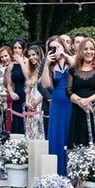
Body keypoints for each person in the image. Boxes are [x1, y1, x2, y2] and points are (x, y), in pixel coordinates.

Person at [65, 36, 95, 150]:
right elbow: (68, 91)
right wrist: (81, 103)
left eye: (91, 49)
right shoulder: (73, 70)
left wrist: (87, 101)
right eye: (85, 49)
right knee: (77, 144)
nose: (89, 52)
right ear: (80, 51)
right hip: (77, 112)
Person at [40, 36, 74, 174]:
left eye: (57, 46)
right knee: (57, 135)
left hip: (71, 101)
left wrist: (64, 54)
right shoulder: (51, 65)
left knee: (69, 133)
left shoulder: (71, 59)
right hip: (57, 102)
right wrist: (47, 64)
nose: (55, 50)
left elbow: (77, 68)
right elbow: (46, 84)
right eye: (52, 48)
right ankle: (57, 171)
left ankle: (71, 171)